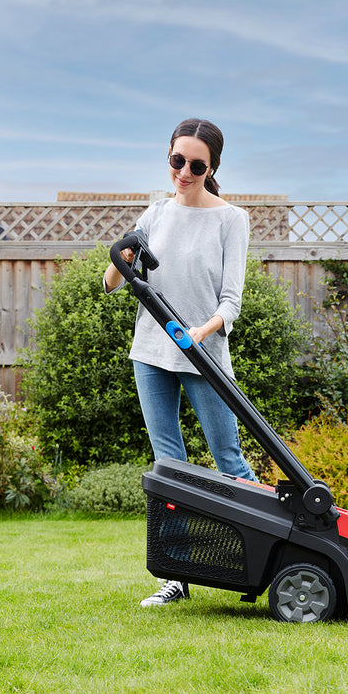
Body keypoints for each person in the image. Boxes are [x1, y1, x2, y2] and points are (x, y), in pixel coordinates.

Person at [103, 118, 258, 606]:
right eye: (177, 161)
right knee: (169, 464)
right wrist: (122, 252)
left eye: (196, 164)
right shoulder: (155, 214)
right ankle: (177, 574)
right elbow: (111, 284)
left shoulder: (231, 219)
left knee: (229, 458)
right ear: (168, 158)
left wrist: (201, 332)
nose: (184, 172)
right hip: (150, 352)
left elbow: (230, 300)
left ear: (211, 167)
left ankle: (281, 548)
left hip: (204, 357)